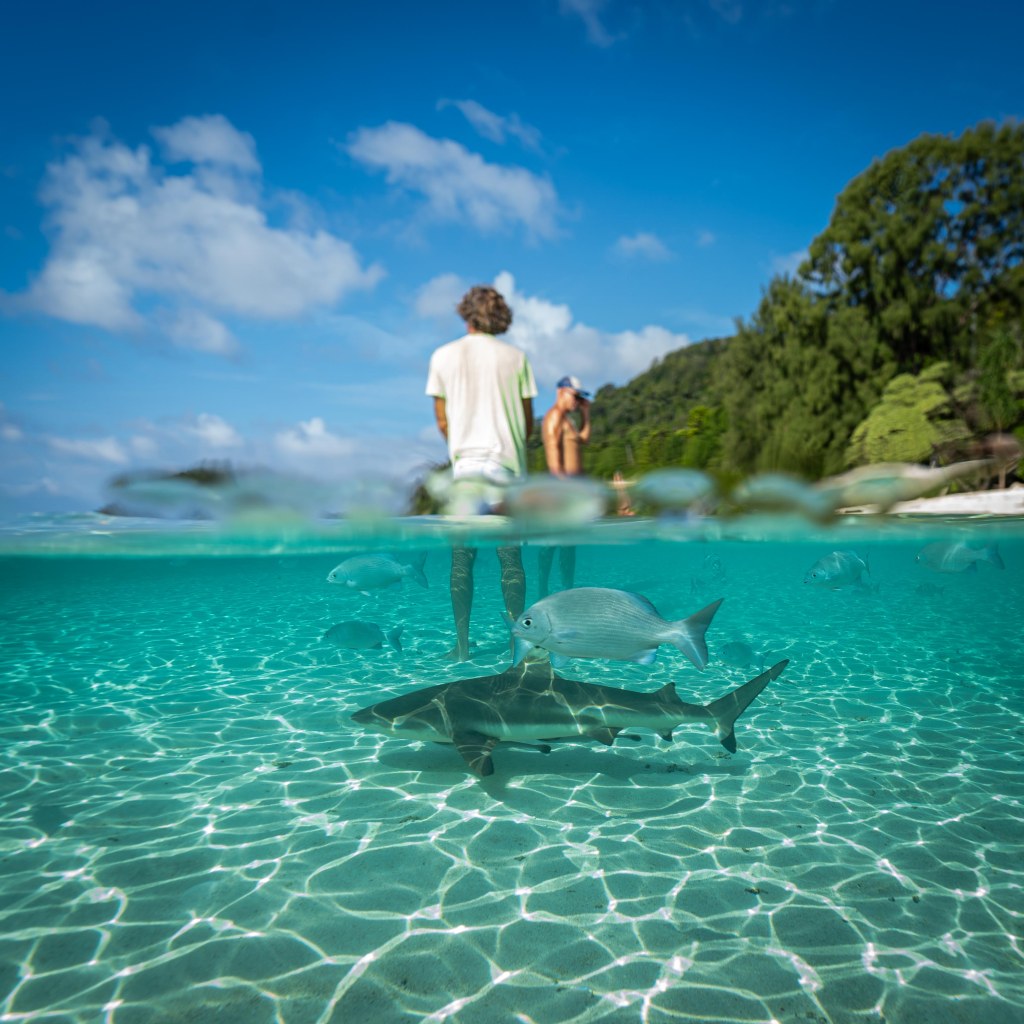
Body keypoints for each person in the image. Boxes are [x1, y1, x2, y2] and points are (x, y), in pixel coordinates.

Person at [425, 284, 537, 661]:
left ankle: (461, 645)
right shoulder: (517, 357)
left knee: (462, 562)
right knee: (511, 561)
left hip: (467, 474)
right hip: (506, 471)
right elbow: (526, 424)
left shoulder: (442, 356)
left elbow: (443, 422)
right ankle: (515, 644)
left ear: (464, 312)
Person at [537, 374, 591, 597]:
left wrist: (587, 414)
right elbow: (553, 458)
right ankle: (542, 590)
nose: (577, 402)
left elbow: (584, 440)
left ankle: (567, 590)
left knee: (568, 545)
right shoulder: (554, 417)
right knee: (551, 543)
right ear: (561, 392)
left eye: (580, 399)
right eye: (574, 397)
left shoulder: (569, 420)